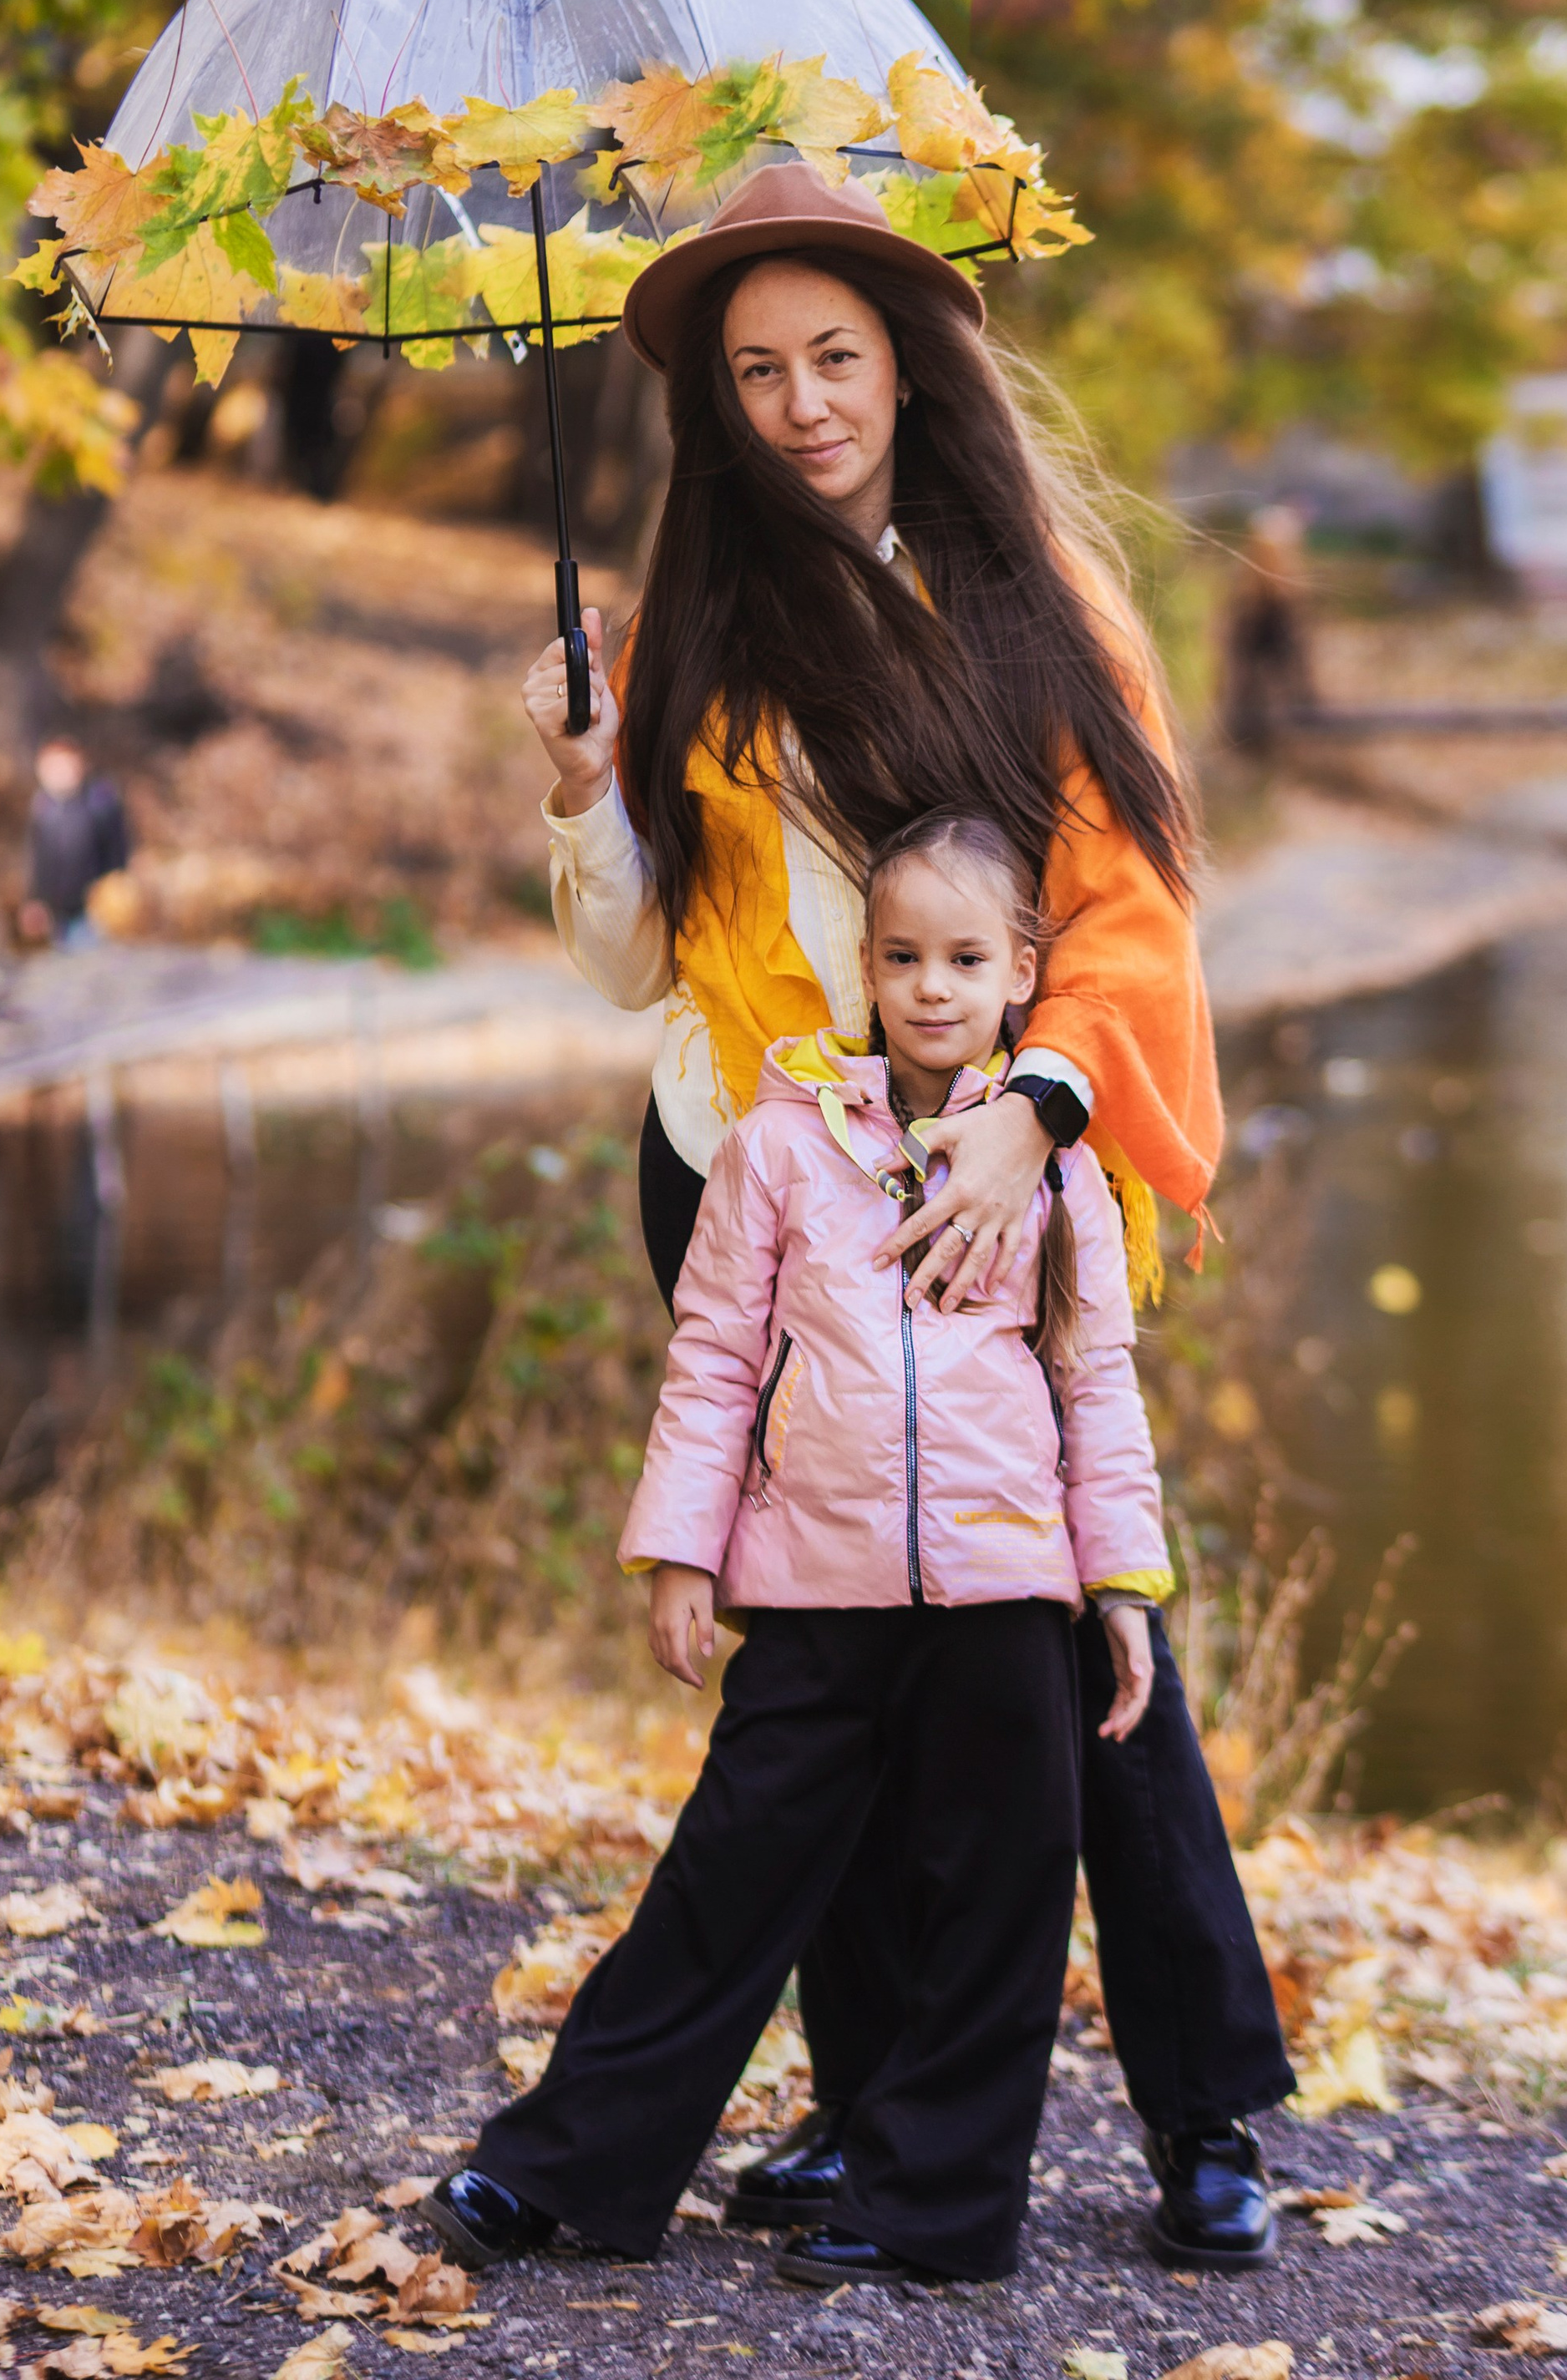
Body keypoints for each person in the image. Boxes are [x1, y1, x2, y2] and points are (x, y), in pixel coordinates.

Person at [515, 157, 1291, 2272]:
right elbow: (638, 960)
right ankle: (867, 2118)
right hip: (757, 1175)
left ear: (907, 356)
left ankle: (1206, 2101)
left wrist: (1036, 1117)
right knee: (836, 1647)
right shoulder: (697, 611)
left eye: (830, 354)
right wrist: (585, 802)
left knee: (1075, 1661)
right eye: (753, 368)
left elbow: (1124, 908)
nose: (794, 400)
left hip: (998, 1171)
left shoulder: (1033, 587)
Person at [429, 810, 1169, 2286]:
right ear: (868, 969)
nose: (933, 986)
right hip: (815, 1587)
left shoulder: (1054, 1172)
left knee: (1001, 1896)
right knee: (726, 1876)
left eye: (966, 959)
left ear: (1022, 973)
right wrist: (683, 1552)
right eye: (903, 957)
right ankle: (561, 2166)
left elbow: (1098, 1388)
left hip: (1005, 1594)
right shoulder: (780, 1146)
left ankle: (937, 2210)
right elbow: (712, 1360)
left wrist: (1122, 1588)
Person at [1221, 504, 1315, 752]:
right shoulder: (1245, 598)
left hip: (1278, 675)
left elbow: (1296, 656)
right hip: (1251, 694)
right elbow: (1237, 656)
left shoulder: (1288, 600)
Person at [19, 740, 129, 946]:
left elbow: (117, 850)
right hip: (56, 911)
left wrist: (112, 893)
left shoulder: (99, 802)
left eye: (65, 766)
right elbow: (35, 860)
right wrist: (34, 900)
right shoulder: (42, 808)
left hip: (93, 910)